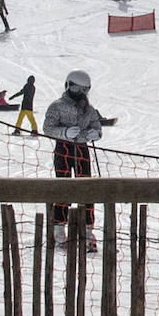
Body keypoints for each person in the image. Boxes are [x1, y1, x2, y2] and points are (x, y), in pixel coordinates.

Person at [43, 70, 103, 248]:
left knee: (86, 185)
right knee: (64, 184)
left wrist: (96, 133)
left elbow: (96, 125)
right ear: (69, 85)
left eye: (84, 90)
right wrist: (64, 133)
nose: (80, 93)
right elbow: (48, 127)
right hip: (64, 147)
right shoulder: (57, 106)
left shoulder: (89, 109)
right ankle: (60, 227)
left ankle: (87, 228)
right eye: (77, 89)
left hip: (82, 148)